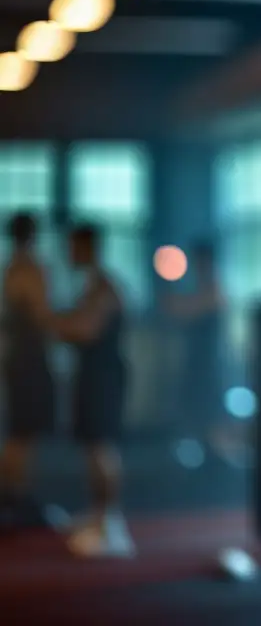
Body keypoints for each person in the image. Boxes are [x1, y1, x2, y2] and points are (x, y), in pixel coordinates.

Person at [50, 224, 133, 557]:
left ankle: (112, 527)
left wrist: (45, 319)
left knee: (102, 447)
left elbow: (85, 330)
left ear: (88, 247)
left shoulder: (105, 287)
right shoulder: (91, 287)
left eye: (74, 247)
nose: (70, 255)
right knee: (91, 447)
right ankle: (99, 515)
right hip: (91, 375)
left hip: (104, 376)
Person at [161, 241, 240, 466]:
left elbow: (182, 310)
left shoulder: (214, 289)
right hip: (199, 364)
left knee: (211, 416)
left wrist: (171, 290)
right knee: (199, 415)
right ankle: (211, 462)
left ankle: (221, 465)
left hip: (210, 365)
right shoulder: (204, 288)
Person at [0, 213, 56, 525]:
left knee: (21, 431)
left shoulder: (13, 266)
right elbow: (41, 314)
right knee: (23, 431)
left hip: (20, 359)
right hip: (28, 360)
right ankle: (14, 497)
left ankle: (13, 494)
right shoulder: (27, 269)